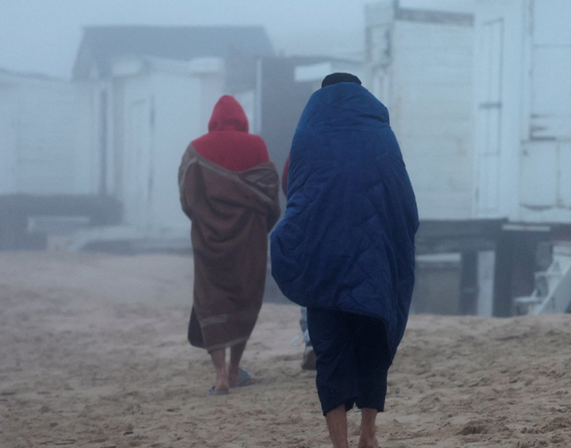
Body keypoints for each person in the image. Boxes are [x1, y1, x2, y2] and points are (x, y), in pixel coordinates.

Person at [271, 73, 418, 448]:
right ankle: (368, 433)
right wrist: (395, 242)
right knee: (373, 344)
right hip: (374, 264)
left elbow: (294, 191)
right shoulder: (380, 134)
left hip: (323, 262)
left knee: (331, 352)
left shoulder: (308, 137)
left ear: (321, 99)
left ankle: (340, 444)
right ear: (361, 95)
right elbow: (403, 198)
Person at [179, 95, 281, 395]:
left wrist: (206, 221)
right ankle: (236, 368)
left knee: (211, 300)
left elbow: (188, 198)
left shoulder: (195, 150)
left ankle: (220, 374)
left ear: (214, 120)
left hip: (207, 240)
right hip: (249, 240)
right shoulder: (257, 146)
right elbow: (270, 196)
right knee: (244, 299)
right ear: (242, 120)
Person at [282, 154, 317, 371]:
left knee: (311, 282)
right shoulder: (364, 134)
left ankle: (312, 340)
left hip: (311, 221)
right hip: (353, 222)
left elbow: (287, 178)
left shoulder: (307, 138)